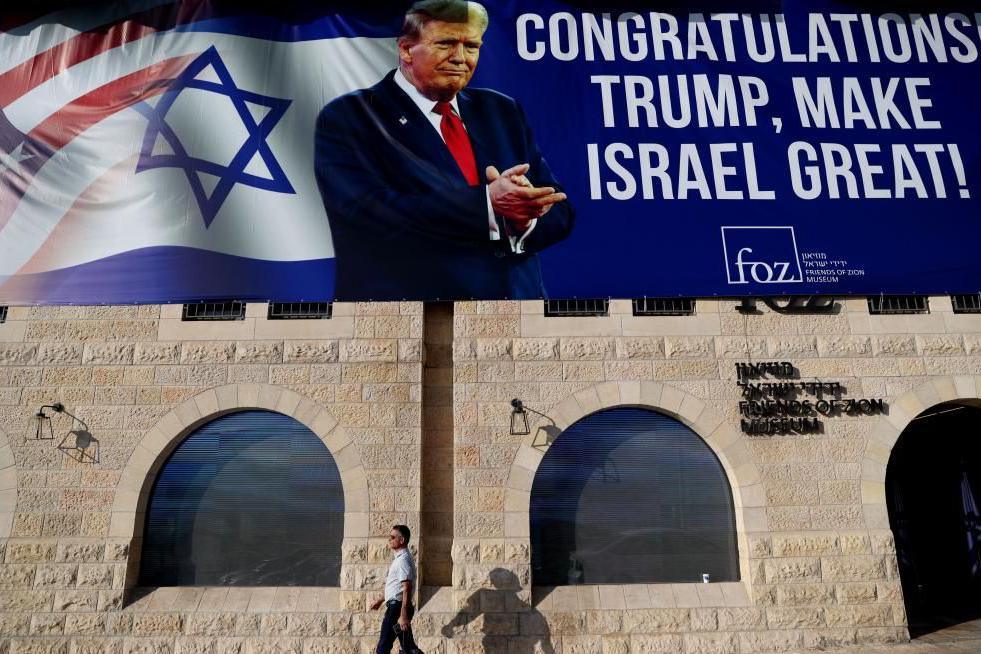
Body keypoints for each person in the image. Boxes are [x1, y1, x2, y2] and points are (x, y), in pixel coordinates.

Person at [314, 0, 574, 301]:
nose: (460, 58)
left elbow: (560, 210)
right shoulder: (351, 115)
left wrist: (523, 218)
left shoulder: (502, 110)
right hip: (409, 315)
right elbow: (368, 215)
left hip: (518, 312)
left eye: (472, 46)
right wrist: (488, 205)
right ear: (406, 49)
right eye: (446, 43)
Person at [370, 524, 421, 654]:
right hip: (396, 606)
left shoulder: (403, 560)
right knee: (408, 647)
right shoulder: (399, 559)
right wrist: (381, 600)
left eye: (392, 537)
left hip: (397, 609)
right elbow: (396, 588)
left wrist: (402, 614)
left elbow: (406, 587)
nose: (389, 540)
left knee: (383, 647)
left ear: (402, 540)